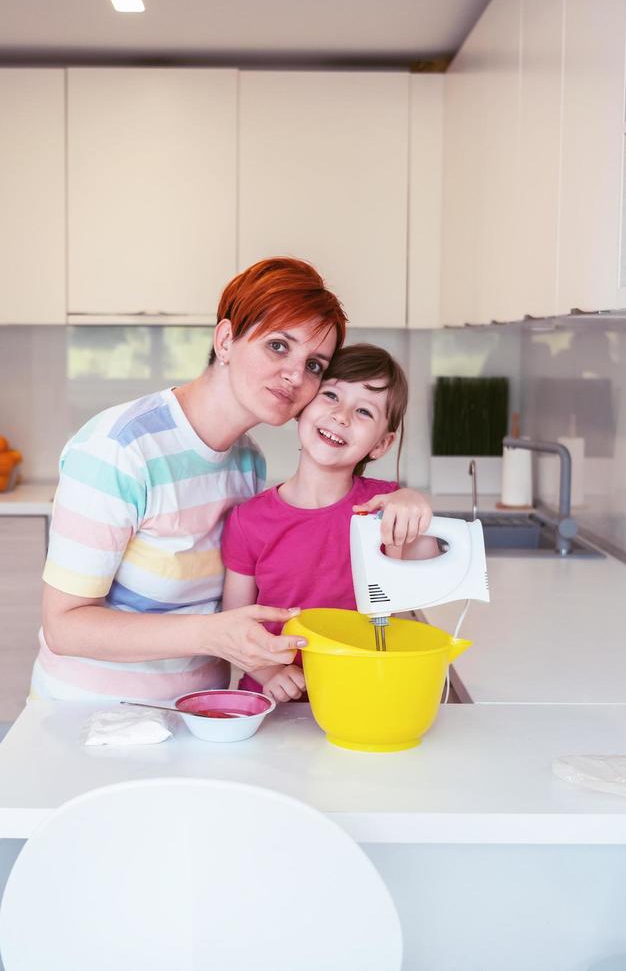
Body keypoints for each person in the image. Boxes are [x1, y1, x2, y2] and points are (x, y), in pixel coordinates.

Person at [35, 258, 349, 701]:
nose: (296, 375)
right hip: (93, 721)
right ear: (226, 340)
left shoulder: (247, 462)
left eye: (315, 364)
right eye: (279, 346)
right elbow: (64, 626)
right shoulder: (120, 448)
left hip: (203, 715)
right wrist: (210, 635)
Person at [220, 344, 439, 702]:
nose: (341, 416)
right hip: (273, 702)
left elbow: (428, 561)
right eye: (331, 395)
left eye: (364, 411)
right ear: (302, 406)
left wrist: (414, 505)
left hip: (364, 696)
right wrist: (270, 672)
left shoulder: (384, 508)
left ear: (381, 444)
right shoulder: (249, 521)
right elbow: (235, 620)